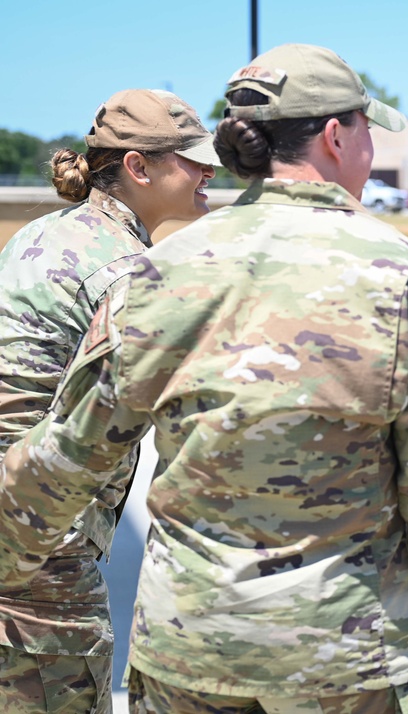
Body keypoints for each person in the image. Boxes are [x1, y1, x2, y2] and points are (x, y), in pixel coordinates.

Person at [0, 43, 408, 714]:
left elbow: (69, 449)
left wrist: (7, 558)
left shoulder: (156, 272)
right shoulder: (404, 274)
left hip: (188, 661)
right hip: (355, 667)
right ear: (334, 136)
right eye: (365, 132)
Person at [0, 89, 218, 713]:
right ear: (137, 168)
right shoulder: (126, 271)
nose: (209, 172)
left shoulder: (43, 235)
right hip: (42, 557)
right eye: (192, 160)